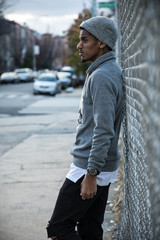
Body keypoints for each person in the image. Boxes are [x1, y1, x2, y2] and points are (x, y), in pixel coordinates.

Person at [46, 16, 124, 240]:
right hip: (100, 165)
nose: (79, 45)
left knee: (59, 229)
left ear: (101, 42)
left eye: (84, 40)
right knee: (90, 229)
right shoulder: (108, 70)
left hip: (89, 167)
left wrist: (91, 174)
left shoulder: (101, 76)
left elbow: (104, 129)